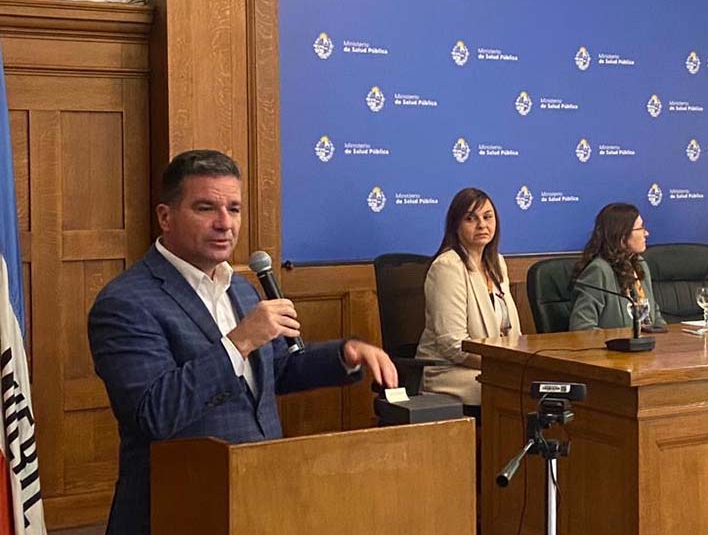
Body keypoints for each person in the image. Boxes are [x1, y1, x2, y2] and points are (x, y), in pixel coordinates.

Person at [88, 150, 397, 535]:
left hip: (258, 495)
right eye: (206, 208)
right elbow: (155, 412)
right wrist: (240, 340)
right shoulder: (125, 302)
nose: (225, 224)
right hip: (178, 507)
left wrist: (344, 355)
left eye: (234, 209)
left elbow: (275, 372)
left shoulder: (243, 289)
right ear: (165, 217)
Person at [415, 188, 521, 415]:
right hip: (449, 373)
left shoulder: (497, 263)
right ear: (456, 225)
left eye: (487, 217)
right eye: (471, 218)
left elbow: (510, 329)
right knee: (516, 389)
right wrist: (500, 366)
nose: (482, 224)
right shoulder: (447, 267)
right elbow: (453, 345)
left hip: (492, 367)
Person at [569, 202, 665, 330]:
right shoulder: (599, 270)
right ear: (622, 236)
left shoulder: (640, 264)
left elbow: (654, 314)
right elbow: (581, 327)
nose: (646, 233)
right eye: (640, 228)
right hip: (613, 349)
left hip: (648, 346)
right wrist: (618, 340)